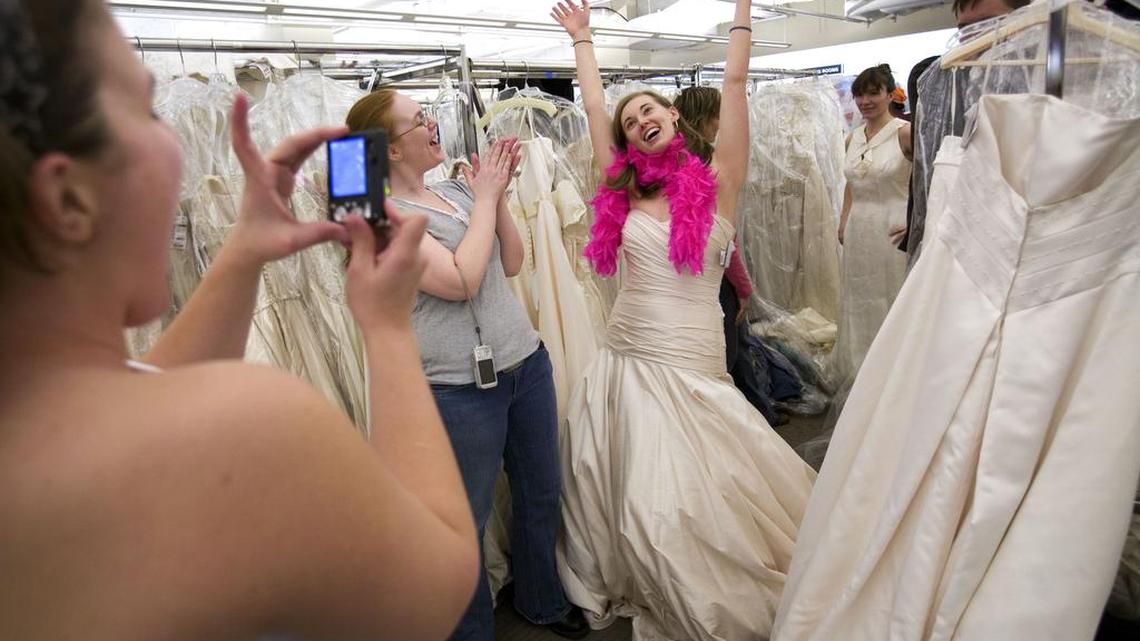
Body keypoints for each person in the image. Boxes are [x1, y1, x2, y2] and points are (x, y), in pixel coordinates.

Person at [0, 1, 480, 639]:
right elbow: (436, 589)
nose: (175, 140)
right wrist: (387, 330)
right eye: (147, 112)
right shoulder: (250, 425)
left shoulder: (38, 429)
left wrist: (245, 249)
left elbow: (148, 382)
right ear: (67, 198)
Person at [550, 1, 816, 639]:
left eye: (649, 109)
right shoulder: (623, 191)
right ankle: (641, 574)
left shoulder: (719, 180)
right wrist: (583, 41)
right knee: (640, 495)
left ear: (674, 115)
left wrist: (743, 12)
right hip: (628, 357)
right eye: (630, 118)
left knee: (696, 497)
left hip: (693, 355)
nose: (640, 119)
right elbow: (592, 112)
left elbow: (732, 84)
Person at [343, 90, 589, 641]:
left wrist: (493, 197)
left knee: (540, 493)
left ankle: (541, 600)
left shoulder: (455, 189)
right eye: (419, 121)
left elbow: (512, 260)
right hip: (456, 389)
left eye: (429, 116)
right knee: (464, 523)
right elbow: (460, 281)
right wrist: (484, 200)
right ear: (390, 149)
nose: (433, 126)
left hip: (525, 364)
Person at [833, 64, 913, 379]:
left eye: (873, 93)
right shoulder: (851, 139)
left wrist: (916, 220)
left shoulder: (905, 133)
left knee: (890, 297)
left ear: (889, 94)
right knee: (860, 299)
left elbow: (928, 182)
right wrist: (843, 219)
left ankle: (893, 374)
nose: (865, 101)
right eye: (859, 95)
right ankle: (861, 372)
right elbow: (851, 183)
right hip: (859, 228)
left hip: (894, 226)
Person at [672, 85, 755, 371]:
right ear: (706, 117)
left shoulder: (667, 160)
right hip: (714, 277)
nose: (721, 124)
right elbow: (720, 238)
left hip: (679, 279)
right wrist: (743, 286)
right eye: (718, 115)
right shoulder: (708, 164)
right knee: (724, 355)